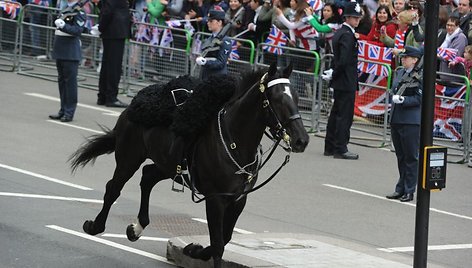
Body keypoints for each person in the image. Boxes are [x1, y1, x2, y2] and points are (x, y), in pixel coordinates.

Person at [323, 1, 362, 160]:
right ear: (347, 18)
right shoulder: (347, 34)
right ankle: (341, 148)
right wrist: (335, 72)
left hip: (340, 80)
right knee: (344, 116)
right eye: (354, 18)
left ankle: (330, 146)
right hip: (345, 80)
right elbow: (344, 60)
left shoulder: (341, 32)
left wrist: (334, 72)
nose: (357, 20)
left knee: (336, 114)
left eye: (358, 18)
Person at [386, 46, 423, 202]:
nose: (403, 59)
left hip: (410, 120)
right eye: (403, 57)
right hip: (397, 118)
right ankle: (400, 188)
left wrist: (404, 100)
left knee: (411, 157)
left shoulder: (420, 76)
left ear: (415, 60)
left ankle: (409, 190)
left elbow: (420, 98)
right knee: (400, 156)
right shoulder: (400, 72)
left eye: (406, 57)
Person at [48, 0, 86, 122]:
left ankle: (69, 112)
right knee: (62, 82)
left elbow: (78, 30)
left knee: (70, 84)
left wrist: (64, 26)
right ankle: (63, 110)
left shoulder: (78, 11)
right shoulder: (65, 9)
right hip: (60, 48)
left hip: (70, 51)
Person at [96, 0, 131, 107]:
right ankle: (110, 97)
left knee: (107, 65)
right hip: (115, 30)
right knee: (113, 66)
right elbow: (108, 10)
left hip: (112, 30)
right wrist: (101, 27)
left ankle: (103, 96)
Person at [195, 8, 232, 80]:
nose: (208, 23)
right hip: (205, 76)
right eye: (208, 21)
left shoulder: (225, 41)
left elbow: (221, 63)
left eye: (211, 21)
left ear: (219, 22)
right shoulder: (208, 39)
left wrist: (205, 62)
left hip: (217, 78)